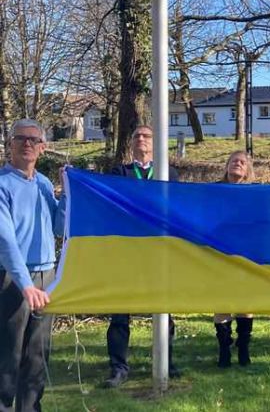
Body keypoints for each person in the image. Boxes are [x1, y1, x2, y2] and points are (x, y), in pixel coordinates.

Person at [103, 125, 181, 388]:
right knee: (120, 312)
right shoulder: (120, 172)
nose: (141, 139)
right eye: (136, 135)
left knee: (164, 310)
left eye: (147, 135)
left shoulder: (168, 173)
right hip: (127, 250)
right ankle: (118, 367)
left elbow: (177, 208)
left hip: (159, 251)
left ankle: (166, 361)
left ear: (155, 142)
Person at [0, 119, 65, 412]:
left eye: (33, 139)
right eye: (20, 138)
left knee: (38, 354)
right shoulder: (2, 184)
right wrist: (25, 284)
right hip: (12, 278)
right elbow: (5, 240)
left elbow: (60, 225)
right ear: (10, 145)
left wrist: (68, 194)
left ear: (43, 147)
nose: (27, 143)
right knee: (8, 352)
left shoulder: (42, 182)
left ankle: (30, 408)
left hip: (46, 274)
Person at [214, 151, 255, 368]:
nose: (237, 164)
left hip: (246, 253)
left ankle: (244, 347)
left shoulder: (255, 194)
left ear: (247, 169)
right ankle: (223, 350)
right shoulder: (214, 190)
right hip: (219, 252)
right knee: (221, 300)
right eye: (233, 161)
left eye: (241, 162)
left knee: (244, 300)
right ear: (227, 165)